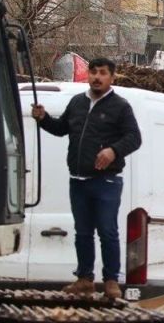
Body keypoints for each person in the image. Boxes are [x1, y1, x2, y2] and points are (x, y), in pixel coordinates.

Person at [31, 58, 142, 299]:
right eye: (93, 72)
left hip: (106, 182)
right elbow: (61, 128)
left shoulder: (120, 107)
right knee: (82, 232)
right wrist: (43, 118)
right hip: (78, 180)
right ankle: (84, 279)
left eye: (102, 73)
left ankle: (111, 281)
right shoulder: (77, 103)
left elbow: (134, 138)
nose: (97, 77)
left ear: (112, 77)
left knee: (107, 231)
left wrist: (113, 151)